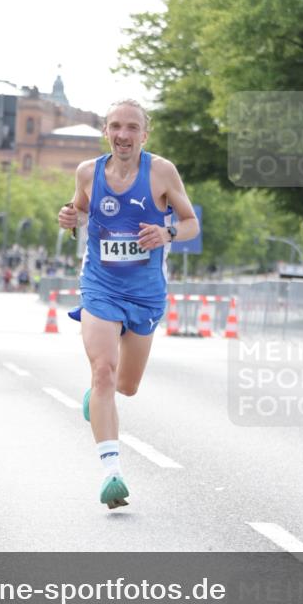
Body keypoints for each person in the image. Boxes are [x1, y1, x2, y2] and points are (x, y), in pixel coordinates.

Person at [58, 100, 199, 510]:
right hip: (100, 285)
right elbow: (78, 210)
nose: (123, 134)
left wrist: (167, 231)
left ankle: (96, 398)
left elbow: (190, 222)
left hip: (145, 292)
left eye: (132, 127)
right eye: (116, 126)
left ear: (144, 134)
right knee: (103, 371)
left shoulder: (162, 172)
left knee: (126, 386)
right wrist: (70, 219)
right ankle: (111, 473)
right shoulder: (89, 172)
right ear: (106, 131)